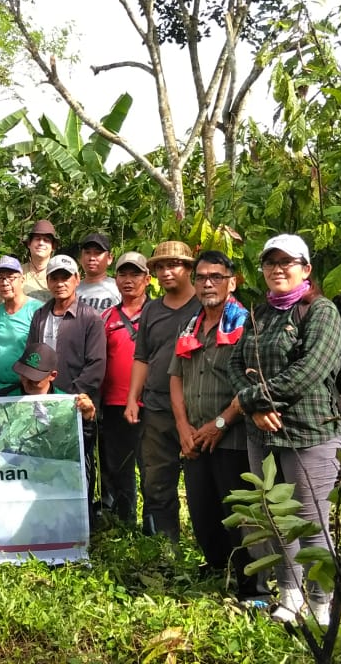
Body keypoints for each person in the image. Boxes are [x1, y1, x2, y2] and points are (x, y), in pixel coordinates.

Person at [228, 234, 341, 625]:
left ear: (306, 269)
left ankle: (321, 600)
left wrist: (256, 399)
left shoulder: (321, 311)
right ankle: (290, 591)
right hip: (262, 433)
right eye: (270, 262)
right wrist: (255, 405)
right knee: (274, 514)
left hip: (310, 431)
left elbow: (312, 370)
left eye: (287, 262)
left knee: (311, 520)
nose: (278, 269)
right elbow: (234, 363)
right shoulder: (259, 314)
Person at [169, 250, 263, 601]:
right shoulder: (189, 325)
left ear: (232, 281)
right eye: (202, 277)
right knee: (202, 510)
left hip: (233, 436)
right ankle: (217, 570)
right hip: (193, 436)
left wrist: (221, 423)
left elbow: (254, 383)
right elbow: (176, 377)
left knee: (239, 514)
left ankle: (253, 587)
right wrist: (182, 428)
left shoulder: (246, 324)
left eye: (216, 277)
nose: (208, 283)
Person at [124, 241, 202, 541]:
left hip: (197, 408)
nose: (167, 272)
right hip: (156, 406)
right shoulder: (152, 310)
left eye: (174, 265)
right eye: (160, 266)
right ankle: (165, 545)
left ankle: (208, 546)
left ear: (188, 269)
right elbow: (142, 356)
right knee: (157, 480)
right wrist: (133, 398)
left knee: (200, 483)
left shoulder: (204, 306)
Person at [27, 255, 106, 513]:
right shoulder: (39, 315)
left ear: (77, 280)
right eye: (55, 277)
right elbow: (32, 355)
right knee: (46, 460)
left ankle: (81, 519)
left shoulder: (90, 318)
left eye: (66, 277)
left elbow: (96, 365)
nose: (60, 283)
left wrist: (67, 399)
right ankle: (47, 515)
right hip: (42, 403)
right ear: (48, 282)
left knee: (79, 462)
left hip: (76, 405)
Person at [98, 251, 149, 527]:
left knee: (152, 469)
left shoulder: (158, 313)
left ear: (147, 279)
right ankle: (125, 526)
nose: (128, 280)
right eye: (123, 274)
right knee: (119, 469)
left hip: (151, 404)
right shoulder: (107, 316)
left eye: (135, 274)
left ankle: (156, 529)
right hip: (115, 404)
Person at [0, 342, 97, 421]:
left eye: (34, 379)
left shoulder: (67, 405)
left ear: (52, 375)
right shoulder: (5, 397)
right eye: (24, 375)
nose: (27, 382)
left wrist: (86, 418)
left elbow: (79, 443)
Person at [0, 255, 43, 395]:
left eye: (11, 277)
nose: (5, 283)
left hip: (26, 391)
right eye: (0, 278)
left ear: (22, 280)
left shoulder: (37, 311)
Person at [76, 233, 121, 312]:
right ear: (80, 258)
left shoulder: (119, 288)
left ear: (109, 258)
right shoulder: (72, 289)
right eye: (87, 252)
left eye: (98, 253)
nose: (92, 258)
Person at [20, 219, 57, 303]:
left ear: (53, 247)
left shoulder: (59, 273)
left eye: (46, 240)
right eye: (37, 239)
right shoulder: (17, 273)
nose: (41, 243)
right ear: (29, 244)